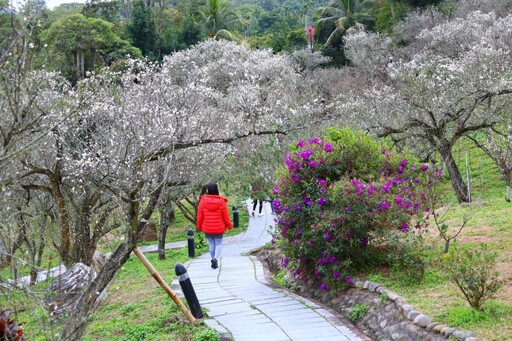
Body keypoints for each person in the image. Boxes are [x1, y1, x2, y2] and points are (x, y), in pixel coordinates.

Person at [196, 182, 233, 269]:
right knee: (219, 244)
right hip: (219, 228)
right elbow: (226, 216)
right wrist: (229, 226)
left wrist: (199, 226)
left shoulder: (203, 201)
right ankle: (215, 259)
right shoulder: (221, 202)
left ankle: (213, 259)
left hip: (207, 228)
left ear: (208, 190)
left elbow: (200, 216)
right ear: (217, 189)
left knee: (211, 244)